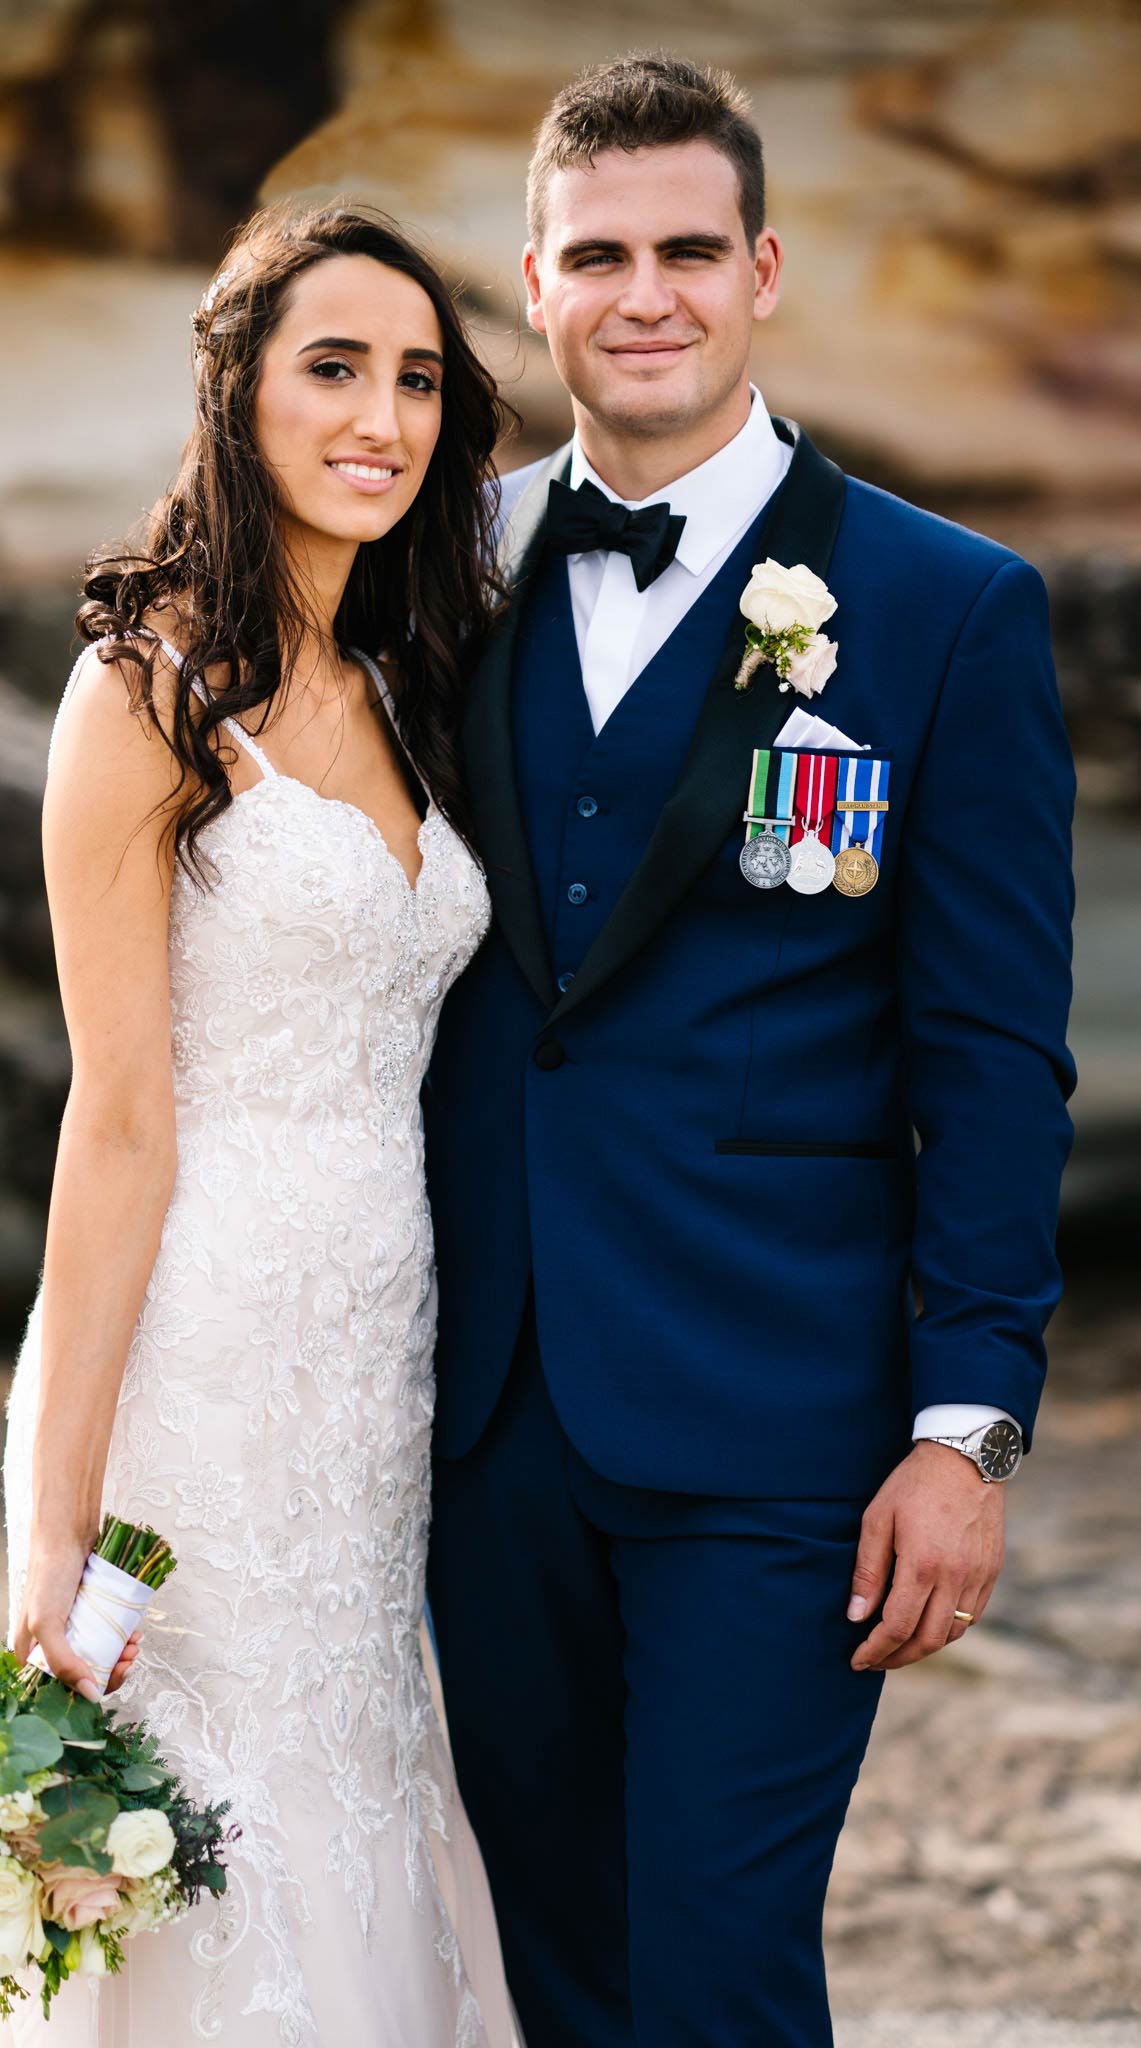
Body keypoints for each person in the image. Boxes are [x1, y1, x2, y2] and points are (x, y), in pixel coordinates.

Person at [422, 53, 1076, 2048]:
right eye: (595, 254)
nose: (644, 296)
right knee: (556, 1964)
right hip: (477, 1418)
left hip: (779, 1427)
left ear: (759, 268)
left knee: (712, 1972)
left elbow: (984, 1047)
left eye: (686, 251)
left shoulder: (944, 609)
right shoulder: (424, 582)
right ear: (530, 283)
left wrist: (959, 1430)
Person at [0, 202, 521, 2047]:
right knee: (184, 1809)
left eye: (419, 380)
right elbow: (118, 1117)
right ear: (236, 391)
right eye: (332, 368)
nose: (381, 416)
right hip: (198, 1351)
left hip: (375, 1360)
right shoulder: (145, 691)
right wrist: (52, 1522)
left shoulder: (404, 677)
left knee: (359, 1773)